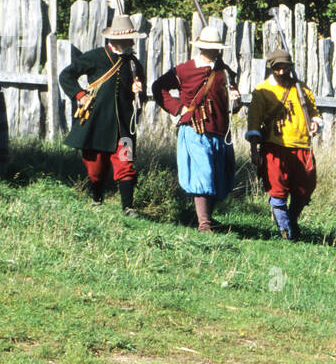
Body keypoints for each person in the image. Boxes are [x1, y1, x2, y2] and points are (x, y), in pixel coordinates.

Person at [152, 26, 242, 231]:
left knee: (218, 176)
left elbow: (233, 107)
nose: (215, 51)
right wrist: (178, 109)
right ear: (201, 47)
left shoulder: (225, 72)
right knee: (204, 173)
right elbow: (158, 87)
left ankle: (206, 218)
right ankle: (204, 224)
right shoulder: (184, 70)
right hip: (194, 128)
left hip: (219, 130)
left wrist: (235, 100)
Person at [58, 12, 146, 217]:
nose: (130, 42)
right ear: (115, 39)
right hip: (96, 123)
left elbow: (140, 101)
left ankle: (128, 207)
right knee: (95, 170)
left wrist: (138, 92)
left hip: (123, 126)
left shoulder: (134, 64)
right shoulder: (95, 56)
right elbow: (66, 75)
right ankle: (97, 199)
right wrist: (80, 95)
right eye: (127, 39)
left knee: (126, 163)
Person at [245, 48, 320, 239]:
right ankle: (285, 230)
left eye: (285, 67)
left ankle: (291, 219)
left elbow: (314, 112)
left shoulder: (302, 89)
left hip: (303, 145)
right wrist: (254, 149)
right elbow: (254, 122)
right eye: (277, 68)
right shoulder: (263, 90)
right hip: (274, 146)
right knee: (277, 189)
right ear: (271, 67)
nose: (281, 72)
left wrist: (315, 123)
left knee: (305, 188)